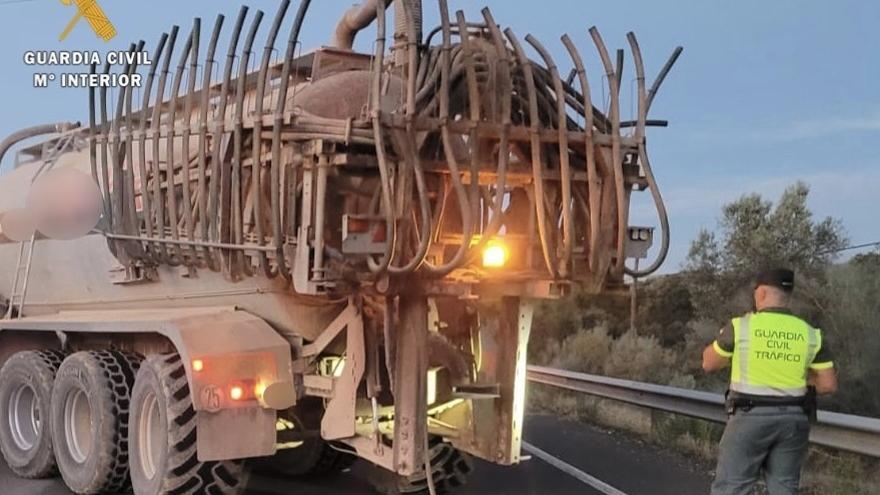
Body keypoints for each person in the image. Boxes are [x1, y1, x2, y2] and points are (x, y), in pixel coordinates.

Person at [702, 268, 838, 495]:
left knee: (732, 487)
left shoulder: (741, 327)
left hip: (749, 416)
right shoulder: (811, 334)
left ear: (761, 293)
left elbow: (708, 364)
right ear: (788, 296)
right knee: (784, 487)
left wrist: (725, 341)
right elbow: (828, 385)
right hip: (793, 420)